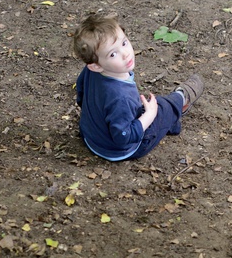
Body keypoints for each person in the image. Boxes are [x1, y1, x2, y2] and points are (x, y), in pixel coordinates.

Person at [72, 10, 204, 162]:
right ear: (96, 66)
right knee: (161, 107)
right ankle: (181, 99)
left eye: (124, 43)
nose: (125, 54)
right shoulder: (120, 97)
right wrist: (150, 114)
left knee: (136, 111)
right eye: (113, 54)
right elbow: (124, 137)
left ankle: (171, 121)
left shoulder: (91, 71)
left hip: (91, 137)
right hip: (120, 149)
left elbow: (81, 94)